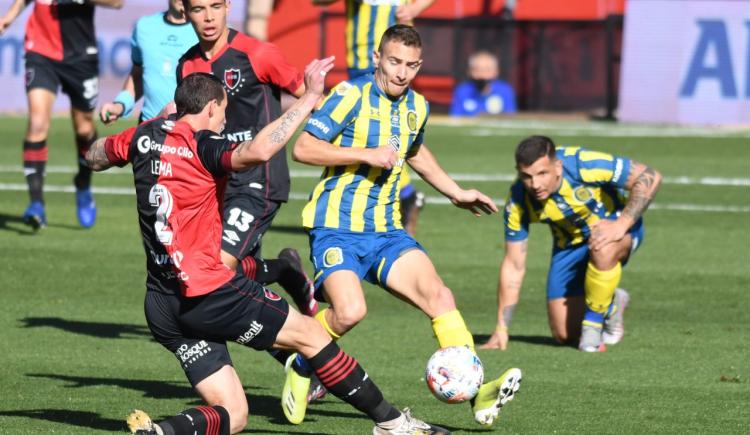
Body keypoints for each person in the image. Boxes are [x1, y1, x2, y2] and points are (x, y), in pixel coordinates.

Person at [86, 64, 450, 435]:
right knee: (311, 336)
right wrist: (308, 98)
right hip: (207, 293)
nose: (225, 119)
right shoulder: (203, 145)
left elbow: (95, 155)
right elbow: (258, 151)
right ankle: (392, 424)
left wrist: (147, 129)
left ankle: (161, 432)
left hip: (161, 305)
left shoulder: (142, 137)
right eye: (224, 110)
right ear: (210, 107)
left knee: (234, 415)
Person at [287, 24, 522, 428]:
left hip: (387, 231)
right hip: (336, 227)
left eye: (411, 66)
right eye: (394, 62)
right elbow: (303, 148)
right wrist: (366, 154)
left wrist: (455, 191)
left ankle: (478, 393)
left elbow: (415, 151)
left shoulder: (417, 106)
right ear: (378, 58)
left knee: (440, 297)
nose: (401, 73)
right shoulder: (349, 95)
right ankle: (301, 360)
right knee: (349, 312)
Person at [176, 0, 317, 317]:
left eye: (215, 5)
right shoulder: (187, 66)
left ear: (228, 6)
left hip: (259, 179)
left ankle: (297, 329)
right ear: (185, 13)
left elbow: (308, 96)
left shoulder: (259, 54)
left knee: (218, 267)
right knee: (221, 273)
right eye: (199, 9)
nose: (209, 16)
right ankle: (285, 272)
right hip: (217, 184)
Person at [480, 135, 662, 352]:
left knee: (602, 246)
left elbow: (650, 176)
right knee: (564, 334)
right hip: (569, 246)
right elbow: (513, 265)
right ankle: (612, 302)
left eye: (542, 174)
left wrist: (621, 225)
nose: (535, 184)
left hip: (615, 231)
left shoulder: (581, 164)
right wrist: (502, 328)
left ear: (557, 166)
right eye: (526, 176)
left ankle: (593, 328)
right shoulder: (518, 200)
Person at [313, 0, 435, 237]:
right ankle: (404, 196)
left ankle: (402, 196)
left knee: (384, 133)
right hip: (362, 60)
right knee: (369, 135)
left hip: (397, 63)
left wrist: (415, 8)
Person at [0, 0, 123, 230]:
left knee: (85, 128)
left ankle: (83, 184)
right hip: (40, 51)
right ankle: (36, 204)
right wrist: (11, 15)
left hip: (81, 56)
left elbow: (117, 3)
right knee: (37, 123)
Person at [100, 0, 198, 125]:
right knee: (101, 145)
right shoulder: (144, 26)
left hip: (188, 132)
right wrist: (120, 105)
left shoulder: (206, 31)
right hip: (148, 129)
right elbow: (138, 74)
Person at [450, 50, 516, 117]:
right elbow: (455, 117)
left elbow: (510, 117)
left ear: (496, 71)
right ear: (470, 72)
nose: (482, 74)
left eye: (487, 70)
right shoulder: (462, 91)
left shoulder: (505, 90)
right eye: (478, 70)